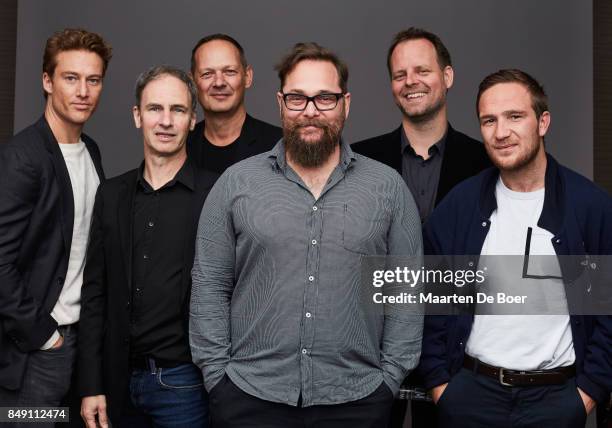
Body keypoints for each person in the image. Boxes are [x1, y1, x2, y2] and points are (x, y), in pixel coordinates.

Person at [190, 42, 423, 428]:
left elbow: (406, 291)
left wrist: (390, 377)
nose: (311, 111)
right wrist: (217, 376)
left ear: (345, 103)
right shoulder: (237, 184)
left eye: (325, 98)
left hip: (357, 400)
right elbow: (210, 284)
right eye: (297, 98)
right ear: (281, 103)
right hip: (249, 397)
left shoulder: (387, 188)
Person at [420, 69, 612, 427]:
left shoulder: (590, 207)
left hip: (555, 399)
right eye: (488, 120)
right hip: (471, 398)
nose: (500, 132)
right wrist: (440, 387)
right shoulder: (459, 206)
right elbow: (431, 302)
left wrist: (587, 394)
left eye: (514, 117)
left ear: (543, 122)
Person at [77, 66, 218, 428]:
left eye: (178, 110)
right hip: (116, 383)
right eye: (155, 109)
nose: (166, 121)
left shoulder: (216, 195)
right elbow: (94, 295)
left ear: (192, 120)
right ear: (137, 116)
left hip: (185, 384)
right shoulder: (111, 195)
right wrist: (91, 384)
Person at [0, 28, 110, 418]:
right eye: (71, 78)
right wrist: (43, 336)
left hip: (78, 346)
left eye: (93, 80)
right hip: (36, 352)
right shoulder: (22, 158)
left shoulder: (91, 151)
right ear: (47, 81)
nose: (83, 91)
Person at [352, 28, 490, 223]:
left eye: (422, 71)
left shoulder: (485, 163)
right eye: (400, 75)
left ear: (447, 77)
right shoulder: (358, 161)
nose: (410, 81)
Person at [187, 33, 282, 173]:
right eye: (207, 73)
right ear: (192, 82)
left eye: (229, 72)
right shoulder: (181, 145)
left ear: (247, 77)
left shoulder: (279, 145)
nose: (219, 82)